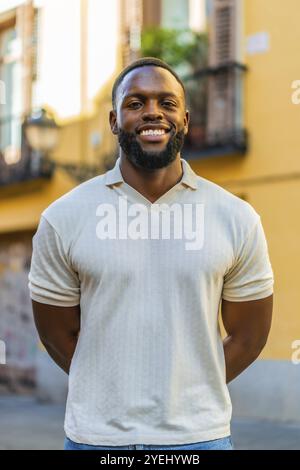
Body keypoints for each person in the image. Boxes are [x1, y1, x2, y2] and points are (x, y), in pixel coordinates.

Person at [28, 57, 274, 451]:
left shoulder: (236, 218)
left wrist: (187, 389)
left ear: (186, 120)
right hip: (96, 439)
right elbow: (58, 335)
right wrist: (111, 392)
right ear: (113, 120)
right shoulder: (63, 218)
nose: (153, 112)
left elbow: (249, 335)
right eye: (136, 103)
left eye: (167, 102)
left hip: (199, 440)